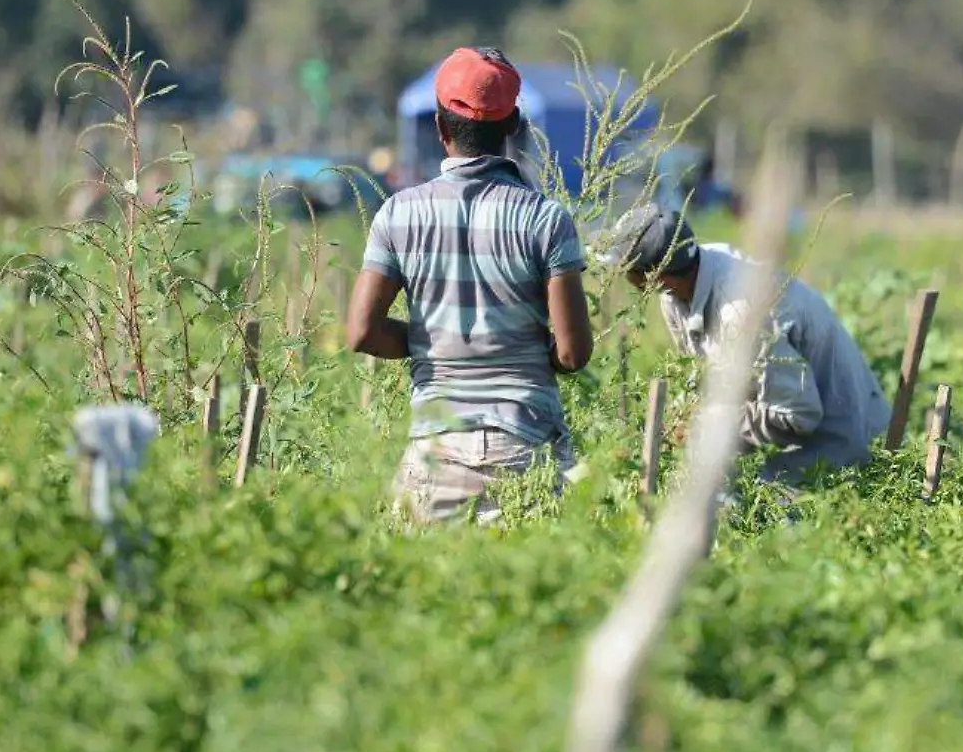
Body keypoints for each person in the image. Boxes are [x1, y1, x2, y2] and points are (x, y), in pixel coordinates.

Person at [347, 47, 593, 524]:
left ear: (440, 129)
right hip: (525, 447)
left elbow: (361, 332)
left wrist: (431, 342)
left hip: (434, 449)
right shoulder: (546, 219)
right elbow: (572, 353)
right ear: (514, 125)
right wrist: (510, 344)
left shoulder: (399, 213)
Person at [602, 205, 890, 487]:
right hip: (788, 436)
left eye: (628, 271)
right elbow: (702, 380)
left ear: (655, 277)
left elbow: (799, 417)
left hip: (838, 447)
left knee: (726, 504)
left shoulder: (742, 313)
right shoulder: (680, 287)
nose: (623, 278)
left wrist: (709, 423)